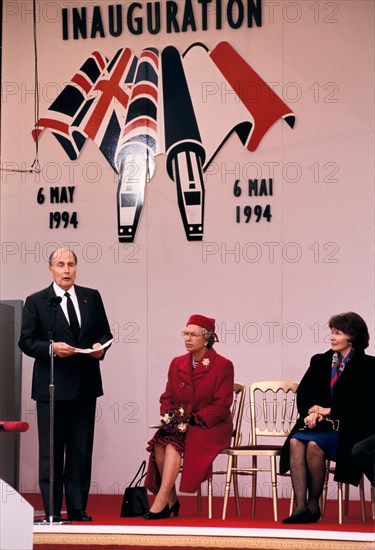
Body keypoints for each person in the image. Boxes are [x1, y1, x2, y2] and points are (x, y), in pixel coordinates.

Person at [19, 248, 112, 523]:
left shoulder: (91, 296)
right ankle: (50, 510)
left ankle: (77, 508)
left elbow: (105, 333)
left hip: (85, 386)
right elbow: (26, 341)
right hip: (52, 386)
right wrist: (52, 348)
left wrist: (100, 347)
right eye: (61, 265)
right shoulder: (37, 301)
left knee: (81, 449)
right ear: (51, 270)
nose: (67, 270)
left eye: (71, 264)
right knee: (51, 451)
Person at [280, 311, 375, 524]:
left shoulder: (368, 366)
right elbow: (304, 394)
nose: (332, 337)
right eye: (332, 332)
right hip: (316, 425)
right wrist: (311, 413)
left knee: (313, 445)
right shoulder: (320, 361)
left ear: (352, 336)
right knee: (296, 441)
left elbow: (364, 404)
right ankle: (300, 507)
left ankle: (314, 505)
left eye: (338, 333)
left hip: (349, 428)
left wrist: (329, 411)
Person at [143, 314, 234, 519]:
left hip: (211, 426)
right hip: (183, 422)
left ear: (207, 338)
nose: (188, 339)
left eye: (193, 335)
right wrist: (172, 415)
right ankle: (170, 499)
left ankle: (160, 502)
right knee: (160, 442)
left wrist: (192, 419)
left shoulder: (222, 365)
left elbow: (222, 405)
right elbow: (167, 396)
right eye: (185, 334)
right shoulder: (177, 363)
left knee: (173, 443)